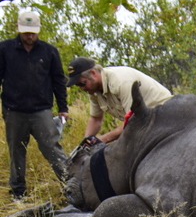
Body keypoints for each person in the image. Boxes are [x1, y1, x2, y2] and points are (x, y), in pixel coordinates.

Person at [0, 11, 69, 200]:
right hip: (14, 110)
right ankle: (18, 193)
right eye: (26, 32)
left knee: (52, 148)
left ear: (38, 31)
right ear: (18, 29)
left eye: (32, 32)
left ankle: (71, 185)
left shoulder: (49, 51)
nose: (29, 36)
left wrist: (63, 107)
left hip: (42, 110)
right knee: (16, 151)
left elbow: (58, 80)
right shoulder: (5, 49)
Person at [66, 57, 172, 144]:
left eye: (82, 83)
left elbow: (133, 121)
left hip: (165, 115)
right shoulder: (93, 89)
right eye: (78, 85)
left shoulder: (120, 82)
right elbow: (96, 118)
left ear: (93, 73)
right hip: (144, 123)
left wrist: (104, 138)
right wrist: (86, 142)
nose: (82, 88)